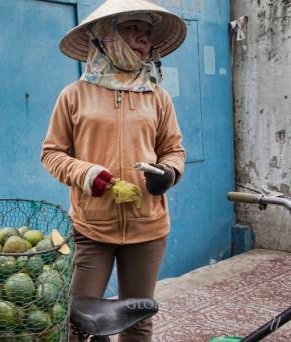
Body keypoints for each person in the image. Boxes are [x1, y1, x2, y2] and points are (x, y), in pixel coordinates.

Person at [40, 0, 187, 341]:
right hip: (92, 228)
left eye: (148, 33)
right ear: (106, 35)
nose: (143, 39)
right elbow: (52, 153)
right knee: (76, 319)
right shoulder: (74, 95)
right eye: (133, 28)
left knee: (138, 320)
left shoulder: (157, 97)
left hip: (147, 229)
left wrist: (168, 173)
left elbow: (173, 150)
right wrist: (86, 174)